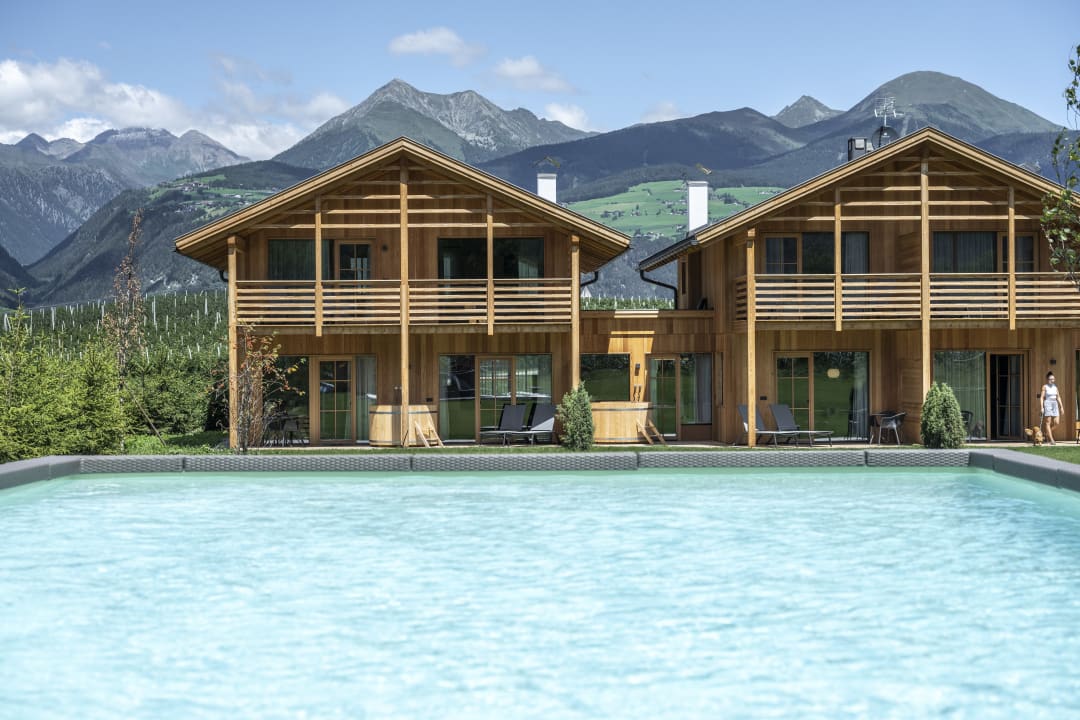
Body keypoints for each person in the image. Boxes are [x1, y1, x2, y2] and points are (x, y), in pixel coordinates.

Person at [1039, 371, 1061, 445]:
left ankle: (1047, 433)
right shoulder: (1045, 387)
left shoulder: (1055, 387)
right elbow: (1042, 398)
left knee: (1057, 423)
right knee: (1048, 422)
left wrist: (1061, 407)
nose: (1052, 380)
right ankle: (1051, 440)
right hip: (1048, 403)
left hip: (1055, 403)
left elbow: (1058, 397)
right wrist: (1042, 407)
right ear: (1047, 379)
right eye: (1051, 379)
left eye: (1053, 379)